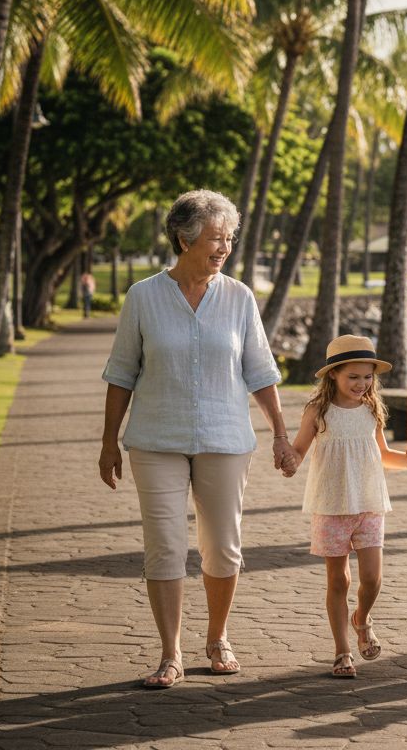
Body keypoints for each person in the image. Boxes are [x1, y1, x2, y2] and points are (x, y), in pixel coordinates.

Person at [99, 189, 294, 689]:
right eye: (214, 237)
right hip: (155, 439)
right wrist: (108, 442)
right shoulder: (143, 296)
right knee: (164, 547)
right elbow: (122, 373)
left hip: (225, 438)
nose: (224, 246)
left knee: (223, 548)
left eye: (229, 237)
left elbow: (260, 371)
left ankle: (218, 637)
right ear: (184, 238)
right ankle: (170, 653)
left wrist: (280, 433)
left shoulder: (239, 297)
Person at [285, 334, 407, 678]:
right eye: (353, 376)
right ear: (333, 375)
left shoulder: (372, 409)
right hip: (331, 505)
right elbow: (298, 451)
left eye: (367, 376)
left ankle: (362, 617)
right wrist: (289, 461)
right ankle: (342, 652)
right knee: (338, 580)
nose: (361, 384)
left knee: (372, 578)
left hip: (369, 503)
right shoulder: (318, 410)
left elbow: (384, 455)